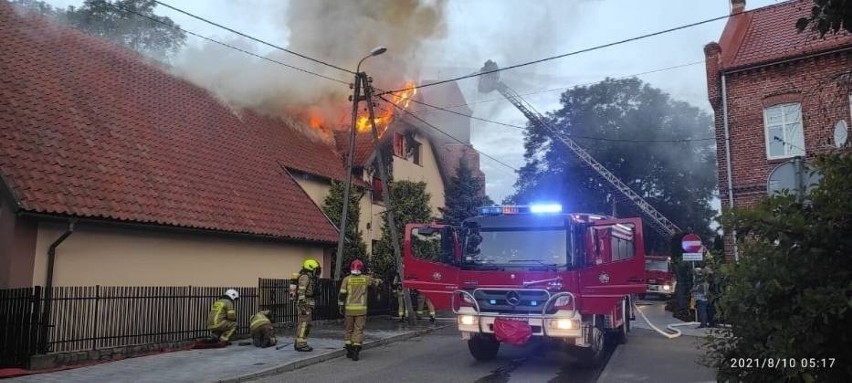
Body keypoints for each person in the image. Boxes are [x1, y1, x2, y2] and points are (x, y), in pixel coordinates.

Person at [338, 259, 382, 361]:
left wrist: (340, 305)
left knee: (348, 330)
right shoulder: (366, 279)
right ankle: (356, 351)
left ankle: (349, 350)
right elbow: (376, 283)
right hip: (361, 310)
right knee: (358, 330)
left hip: (349, 309)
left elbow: (342, 294)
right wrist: (379, 281)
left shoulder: (346, 279)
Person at [295, 259, 321, 352]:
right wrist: (302, 305)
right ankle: (301, 344)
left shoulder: (309, 277)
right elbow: (301, 291)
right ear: (310, 268)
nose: (316, 271)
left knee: (307, 324)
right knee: (304, 324)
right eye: (315, 269)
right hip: (305, 304)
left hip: (308, 304)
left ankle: (300, 342)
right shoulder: (305, 277)